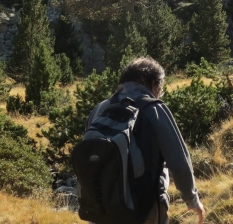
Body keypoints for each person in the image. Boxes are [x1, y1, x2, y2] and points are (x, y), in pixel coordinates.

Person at [86, 57, 206, 224]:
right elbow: (179, 161)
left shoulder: (99, 109)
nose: (159, 92)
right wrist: (192, 200)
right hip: (144, 209)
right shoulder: (154, 109)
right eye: (160, 86)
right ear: (146, 81)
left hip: (102, 210)